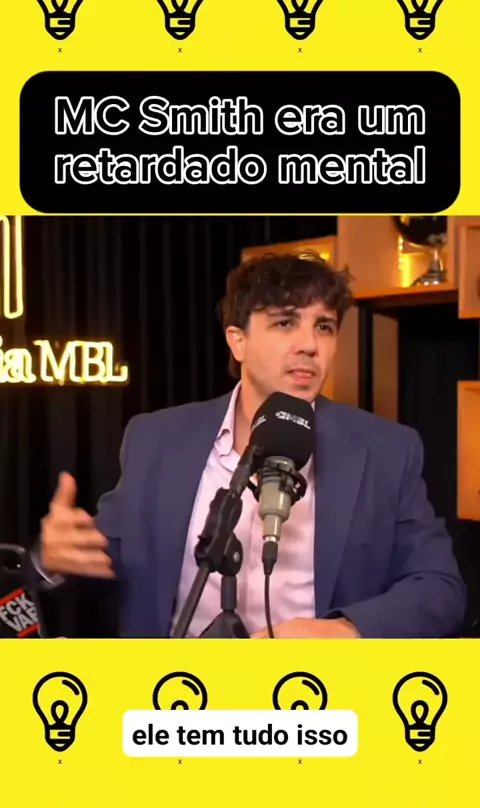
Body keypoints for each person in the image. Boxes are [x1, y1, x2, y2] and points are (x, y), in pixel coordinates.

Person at [23, 252, 467, 639]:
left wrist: (345, 631)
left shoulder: (386, 450)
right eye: (285, 322)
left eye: (324, 327)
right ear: (237, 340)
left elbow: (440, 587)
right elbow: (104, 564)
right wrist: (52, 559)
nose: (310, 345)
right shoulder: (156, 439)